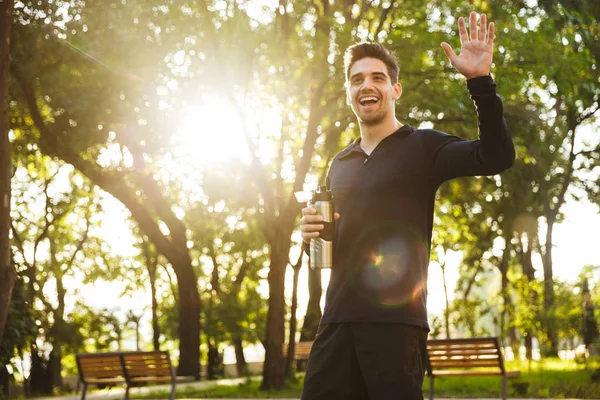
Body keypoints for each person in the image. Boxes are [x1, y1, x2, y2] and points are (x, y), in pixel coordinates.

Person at [299, 12, 515, 400]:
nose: (367, 85)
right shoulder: (339, 163)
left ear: (396, 90)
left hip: (395, 326)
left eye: (378, 77)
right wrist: (310, 235)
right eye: (357, 79)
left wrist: (480, 82)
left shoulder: (424, 146)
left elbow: (496, 157)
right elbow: (333, 244)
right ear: (349, 94)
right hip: (336, 322)